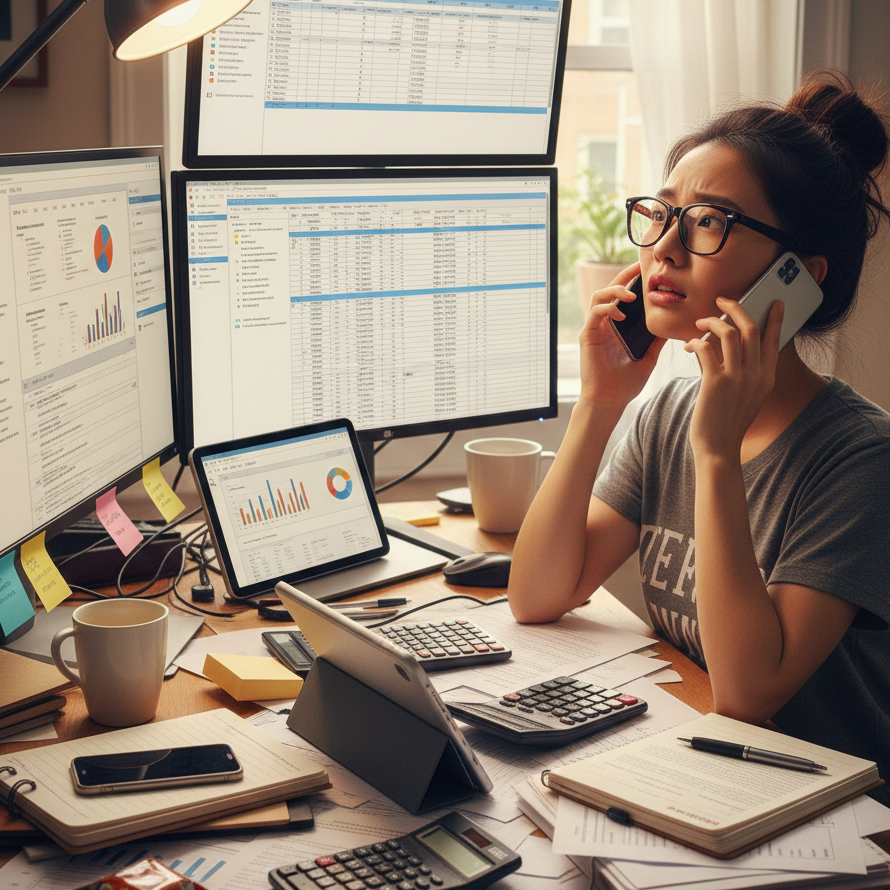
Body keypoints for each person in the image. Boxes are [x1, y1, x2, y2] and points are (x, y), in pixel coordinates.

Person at [507, 70, 890, 803]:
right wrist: (600, 403)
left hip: (834, 815)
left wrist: (716, 455)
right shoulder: (666, 414)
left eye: (709, 222)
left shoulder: (862, 459)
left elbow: (750, 693)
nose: (664, 247)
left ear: (798, 279)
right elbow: (538, 594)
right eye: (662, 213)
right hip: (709, 773)